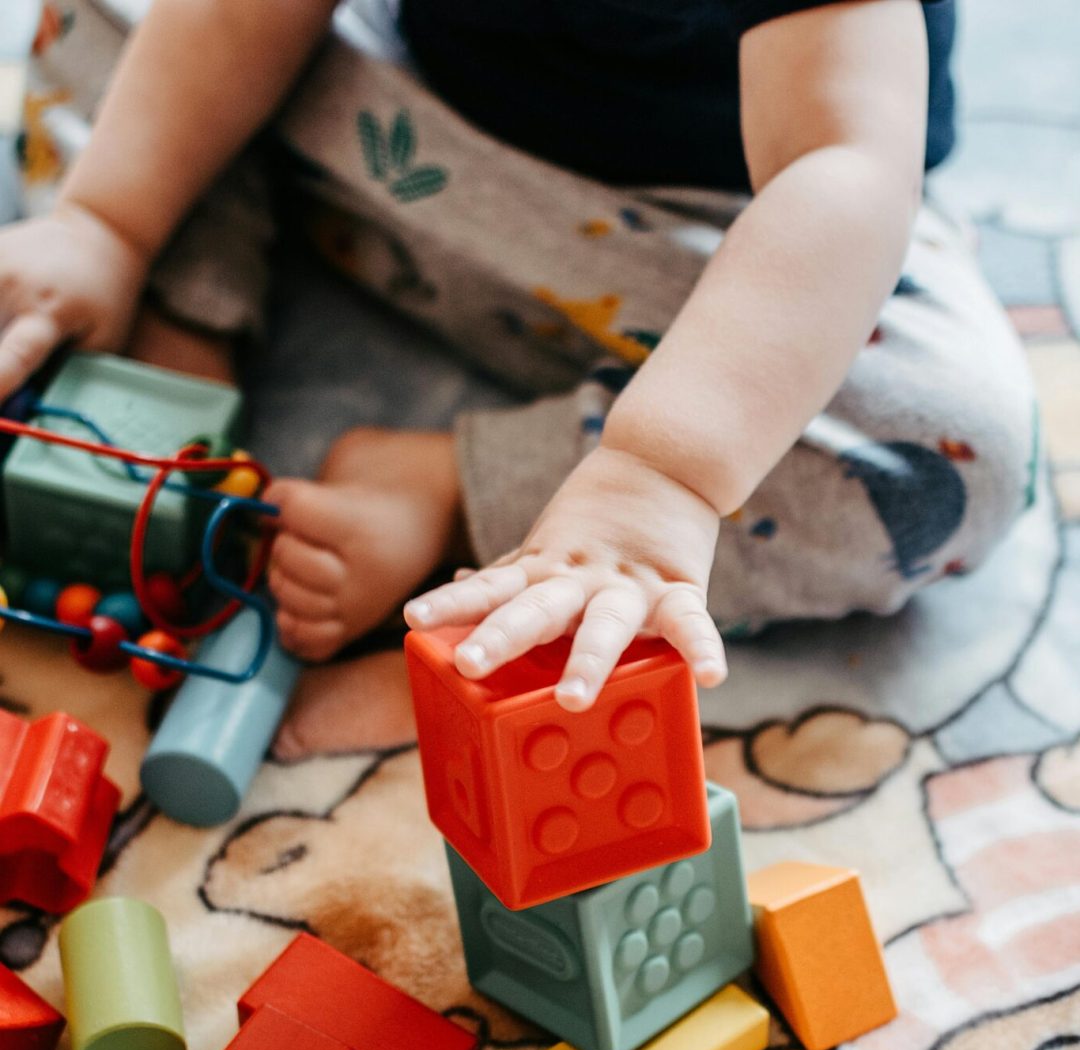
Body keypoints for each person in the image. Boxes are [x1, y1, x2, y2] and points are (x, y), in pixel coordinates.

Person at [0, 0, 1034, 714]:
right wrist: (111, 217)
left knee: (955, 456)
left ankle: (459, 492)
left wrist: (657, 475)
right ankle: (181, 322)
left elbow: (839, 168)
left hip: (715, 263)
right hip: (404, 145)